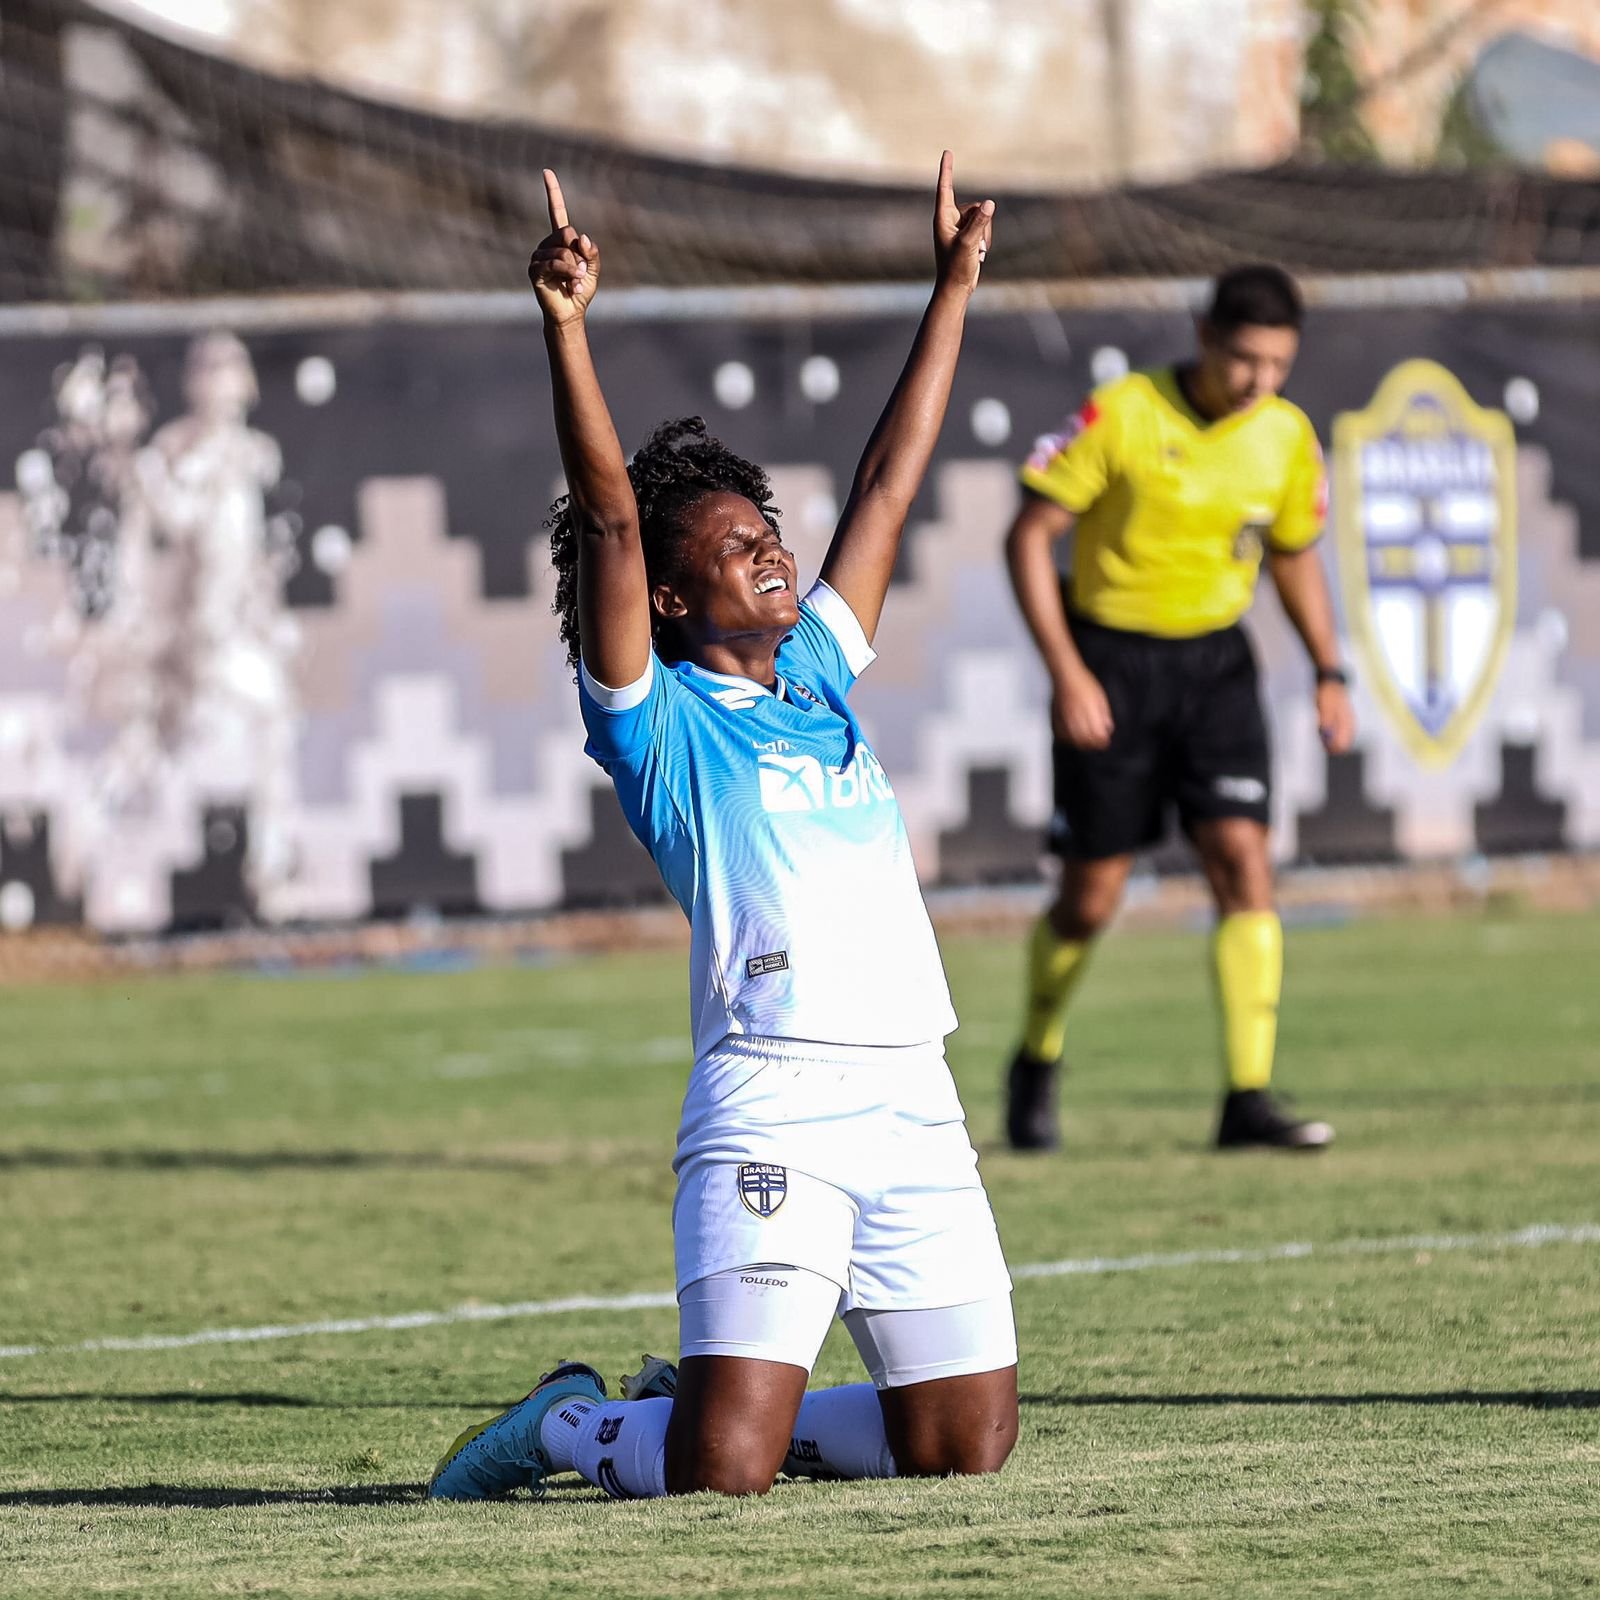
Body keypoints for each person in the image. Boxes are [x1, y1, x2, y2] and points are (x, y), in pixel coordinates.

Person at [429, 157, 1017, 1503]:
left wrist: (955, 288)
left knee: (964, 1448)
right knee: (720, 1476)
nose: (772, 553)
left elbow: (886, 483)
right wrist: (567, 329)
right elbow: (611, 520)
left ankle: (701, 1408)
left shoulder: (812, 677)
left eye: (767, 531)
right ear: (675, 601)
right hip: (776, 1094)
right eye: (736, 547)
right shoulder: (659, 724)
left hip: (911, 1089)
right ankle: (573, 1425)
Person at [1002, 265, 1355, 1154]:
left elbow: (1295, 554)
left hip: (1216, 670)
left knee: (1243, 856)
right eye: (1244, 359)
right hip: (1112, 663)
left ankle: (1247, 1094)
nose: (1260, 382)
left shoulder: (1284, 437)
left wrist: (1328, 668)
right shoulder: (1123, 412)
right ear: (1204, 336)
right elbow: (1029, 535)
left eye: (1278, 364)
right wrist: (1068, 672)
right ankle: (1037, 1055)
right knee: (1092, 896)